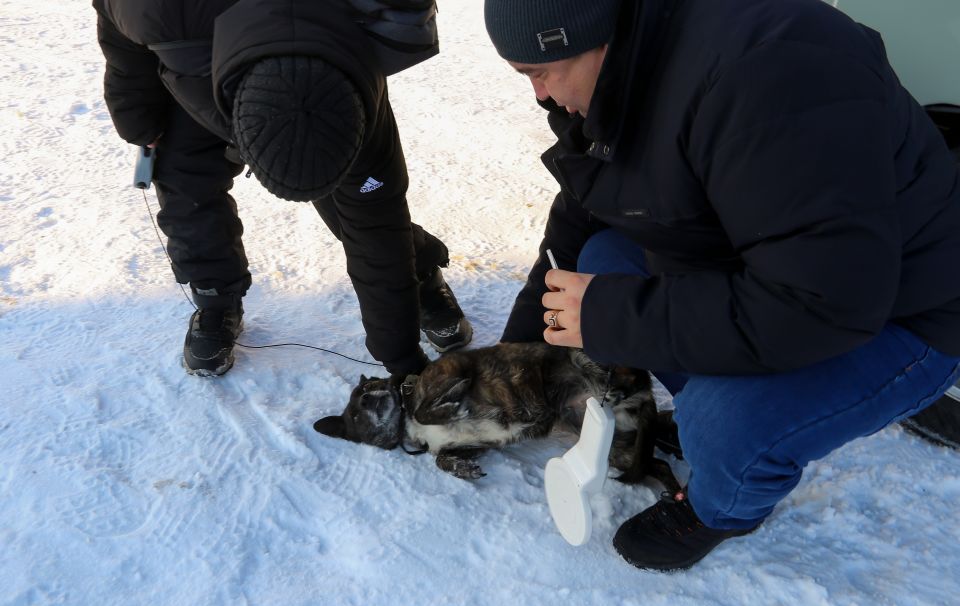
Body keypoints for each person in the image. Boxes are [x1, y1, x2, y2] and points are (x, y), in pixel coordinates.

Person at [484, 0, 960, 571]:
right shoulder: (628, 58)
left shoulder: (768, 81)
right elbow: (588, 206)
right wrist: (517, 355)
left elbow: (823, 302)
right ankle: (733, 398)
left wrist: (614, 317)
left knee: (721, 421)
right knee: (602, 259)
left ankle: (723, 505)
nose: (539, 95)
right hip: (774, 266)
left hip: (910, 307)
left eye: (538, 73)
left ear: (590, 37)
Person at [93, 0, 472, 378]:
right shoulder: (156, 9)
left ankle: (418, 274)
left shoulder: (364, 99)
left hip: (327, 59)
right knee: (185, 184)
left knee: (362, 206)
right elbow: (116, 24)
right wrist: (136, 116)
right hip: (193, 59)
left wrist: (404, 364)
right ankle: (215, 300)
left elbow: (377, 227)